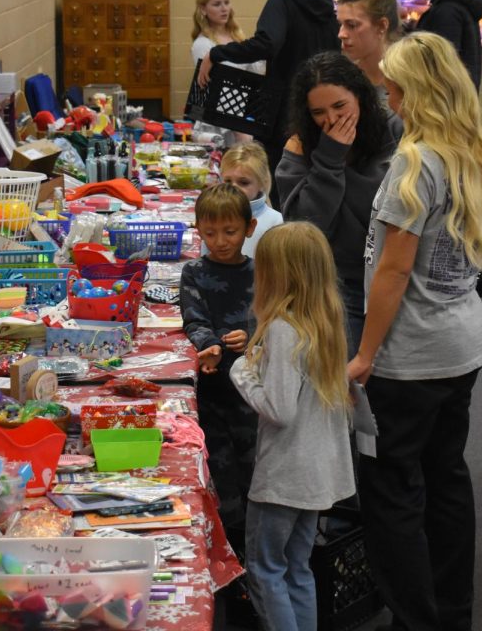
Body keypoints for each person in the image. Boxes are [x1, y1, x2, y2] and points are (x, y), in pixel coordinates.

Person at [348, 32, 482, 631]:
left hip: (410, 358)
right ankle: (451, 613)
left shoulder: (415, 163)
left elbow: (393, 268)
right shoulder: (469, 151)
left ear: (417, 92)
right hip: (462, 345)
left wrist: (364, 355)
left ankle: (414, 618)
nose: (388, 97)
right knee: (447, 482)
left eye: (394, 88)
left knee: (392, 496)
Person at [229, 222, 354, 631]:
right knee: (298, 567)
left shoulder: (283, 329)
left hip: (286, 473)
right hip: (318, 471)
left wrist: (243, 371)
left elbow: (279, 409)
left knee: (265, 569)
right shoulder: (327, 320)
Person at [277, 52, 403, 357]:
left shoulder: (394, 131)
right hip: (337, 284)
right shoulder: (300, 146)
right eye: (319, 112)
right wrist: (329, 159)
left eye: (339, 106)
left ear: (360, 97)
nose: (331, 120)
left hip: (393, 277)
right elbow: (303, 227)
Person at [196, 0, 340, 174]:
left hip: (287, 111)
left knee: (281, 177)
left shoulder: (280, 2)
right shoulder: (324, 2)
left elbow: (266, 44)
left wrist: (216, 53)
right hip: (323, 106)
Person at [180, 183, 258, 553]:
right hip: (211, 391)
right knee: (220, 469)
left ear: (250, 228)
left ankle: (257, 550)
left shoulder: (261, 273)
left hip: (252, 395)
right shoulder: (194, 271)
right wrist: (207, 343)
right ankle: (231, 548)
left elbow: (273, 319)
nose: (221, 241)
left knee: (255, 469)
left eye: (230, 231)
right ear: (197, 229)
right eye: (210, 233)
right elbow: (193, 317)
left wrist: (254, 337)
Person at [190, 0, 263, 146]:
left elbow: (255, 75)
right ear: (203, 9)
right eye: (217, 4)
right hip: (217, 125)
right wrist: (239, 130)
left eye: (226, 2)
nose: (224, 8)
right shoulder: (203, 44)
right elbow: (215, 89)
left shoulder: (238, 37)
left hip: (242, 117)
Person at [337, 0, 402, 99]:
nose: (341, 34)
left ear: (382, 26)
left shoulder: (408, 81)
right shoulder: (343, 79)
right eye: (341, 24)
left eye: (352, 25)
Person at [219, 141, 283, 258]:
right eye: (227, 181)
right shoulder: (214, 214)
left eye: (243, 182)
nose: (233, 188)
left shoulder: (277, 224)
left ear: (262, 183)